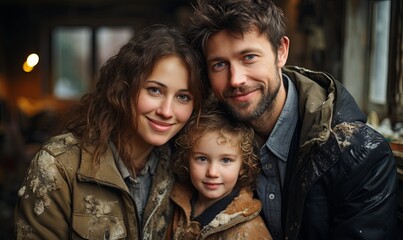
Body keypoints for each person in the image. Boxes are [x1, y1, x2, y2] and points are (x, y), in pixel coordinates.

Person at [186, 0, 398, 239]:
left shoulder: (359, 154)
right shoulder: (204, 136)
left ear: (281, 52)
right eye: (220, 64)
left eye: (249, 57)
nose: (236, 79)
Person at [14, 24, 206, 240]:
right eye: (154, 90)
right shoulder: (58, 166)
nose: (166, 111)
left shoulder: (184, 167)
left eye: (183, 97)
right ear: (124, 88)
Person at [168, 103, 272, 239]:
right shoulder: (177, 204)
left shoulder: (249, 230)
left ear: (242, 166)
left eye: (226, 160)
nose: (212, 172)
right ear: (187, 159)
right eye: (202, 158)